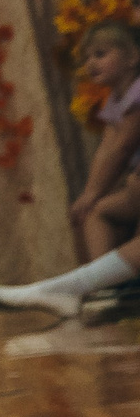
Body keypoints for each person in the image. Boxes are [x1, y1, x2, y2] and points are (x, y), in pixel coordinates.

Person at [67, 21, 140, 260]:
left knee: (99, 210)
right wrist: (90, 194)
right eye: (87, 58)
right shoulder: (115, 99)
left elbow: (123, 148)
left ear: (132, 57)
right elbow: (106, 149)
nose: (90, 64)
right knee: (93, 212)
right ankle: (101, 285)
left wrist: (93, 194)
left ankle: (102, 282)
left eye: (100, 54)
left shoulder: (137, 93)